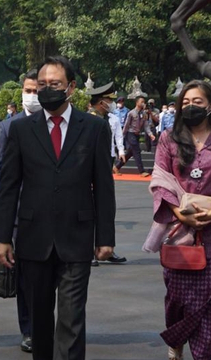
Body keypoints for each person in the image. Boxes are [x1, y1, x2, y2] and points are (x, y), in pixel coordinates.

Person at [0, 55, 116, 360]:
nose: (47, 90)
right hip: (33, 238)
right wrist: (2, 237)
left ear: (71, 87)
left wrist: (105, 237)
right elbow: (8, 187)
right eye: (42, 85)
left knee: (72, 320)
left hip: (76, 236)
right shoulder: (21, 129)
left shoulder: (94, 128)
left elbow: (103, 185)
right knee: (40, 322)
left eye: (55, 84)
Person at [148, 79, 211, 360]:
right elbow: (160, 179)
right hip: (179, 233)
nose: (190, 107)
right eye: (185, 103)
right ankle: (176, 338)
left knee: (207, 304)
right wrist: (177, 212)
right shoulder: (168, 139)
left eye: (197, 102)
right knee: (177, 300)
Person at [0, 68, 41, 354]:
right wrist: (4, 230)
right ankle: (30, 330)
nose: (32, 96)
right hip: (22, 217)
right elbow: (5, 180)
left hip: (55, 215)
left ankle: (47, 326)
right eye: (28, 90)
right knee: (25, 281)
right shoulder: (9, 127)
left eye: (37, 90)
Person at [86, 82, 128, 266]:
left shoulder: (105, 119)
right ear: (101, 102)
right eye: (109, 100)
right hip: (89, 173)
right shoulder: (88, 121)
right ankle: (88, 251)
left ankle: (106, 246)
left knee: (106, 210)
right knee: (88, 212)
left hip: (104, 167)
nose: (111, 103)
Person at [114, 96, 156, 176]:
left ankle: (117, 166)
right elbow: (126, 125)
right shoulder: (131, 113)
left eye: (144, 101)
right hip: (130, 134)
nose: (143, 103)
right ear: (137, 103)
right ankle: (141, 171)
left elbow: (146, 126)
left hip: (137, 134)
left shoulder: (144, 114)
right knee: (137, 151)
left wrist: (150, 134)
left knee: (130, 153)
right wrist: (121, 136)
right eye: (141, 101)